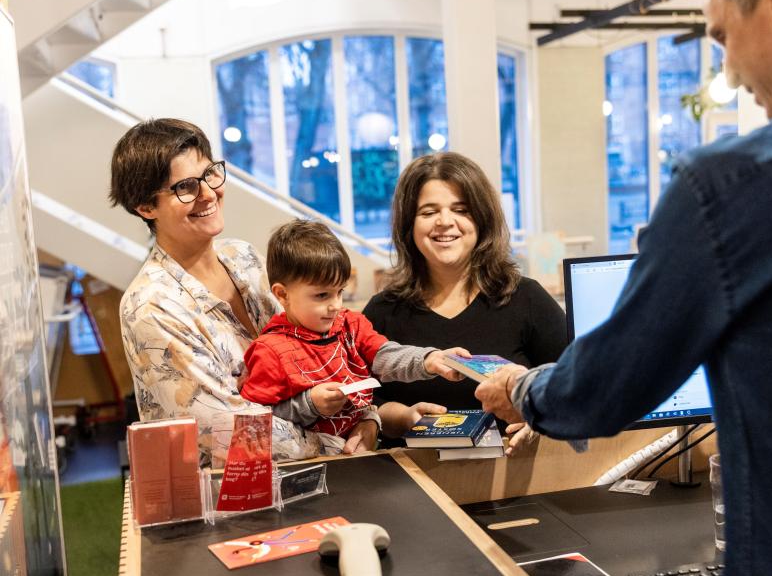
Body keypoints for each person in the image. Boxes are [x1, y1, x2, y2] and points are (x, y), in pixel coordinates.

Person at [476, 0, 772, 576]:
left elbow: (605, 387)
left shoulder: (736, 188)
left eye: (723, 36)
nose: (728, 71)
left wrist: (519, 387)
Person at [111, 119, 321, 467]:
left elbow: (309, 350)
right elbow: (227, 431)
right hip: (224, 502)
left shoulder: (244, 258)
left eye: (209, 174)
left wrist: (361, 413)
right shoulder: (151, 306)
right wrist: (331, 440)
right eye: (185, 187)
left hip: (307, 476)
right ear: (146, 207)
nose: (208, 193)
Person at [363, 152, 568, 453]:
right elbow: (361, 402)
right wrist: (403, 417)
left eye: (461, 209)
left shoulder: (526, 299)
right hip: (411, 483)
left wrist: (537, 419)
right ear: (409, 224)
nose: (445, 222)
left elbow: (572, 384)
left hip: (513, 481)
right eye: (428, 212)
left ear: (482, 219)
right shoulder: (382, 312)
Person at [239, 220, 468, 455]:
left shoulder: (350, 324)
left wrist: (428, 360)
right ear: (282, 294)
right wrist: (309, 404)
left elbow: (385, 355)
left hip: (361, 456)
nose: (335, 305)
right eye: (322, 295)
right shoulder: (270, 351)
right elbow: (254, 421)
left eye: (340, 291)